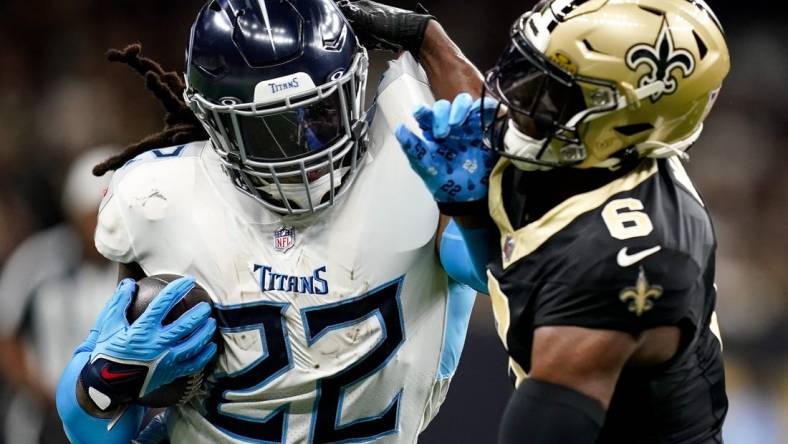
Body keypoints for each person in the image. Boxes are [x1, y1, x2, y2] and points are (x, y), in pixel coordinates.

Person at [54, 0, 488, 442]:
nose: (307, 147)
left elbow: (503, 265)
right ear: (215, 122)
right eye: (274, 129)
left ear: (355, 82)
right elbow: (96, 433)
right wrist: (105, 378)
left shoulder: (412, 161)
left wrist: (426, 36)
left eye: (321, 113)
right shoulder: (159, 200)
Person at [353, 0, 731, 442]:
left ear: (618, 121)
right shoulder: (598, 154)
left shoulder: (624, 261)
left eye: (551, 89)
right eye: (527, 66)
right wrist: (425, 35)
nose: (517, 96)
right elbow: (520, 271)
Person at [0, 147, 117, 443]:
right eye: (92, 214)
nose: (100, 225)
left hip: (118, 417)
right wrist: (43, 392)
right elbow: (6, 334)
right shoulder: (38, 259)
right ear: (73, 213)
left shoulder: (141, 265)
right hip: (45, 418)